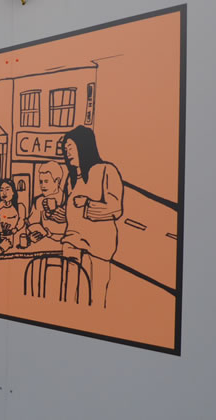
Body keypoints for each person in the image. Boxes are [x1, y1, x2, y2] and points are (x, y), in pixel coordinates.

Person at [60, 126, 123, 307]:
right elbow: (70, 213)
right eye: (66, 149)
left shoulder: (106, 171)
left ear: (84, 146)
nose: (68, 153)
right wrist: (58, 214)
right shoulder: (71, 179)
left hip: (99, 245)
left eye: (71, 147)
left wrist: (87, 205)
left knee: (97, 291)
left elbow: (115, 208)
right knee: (70, 288)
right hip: (72, 239)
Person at [27, 161, 66, 241]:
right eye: (41, 182)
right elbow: (32, 222)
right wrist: (33, 234)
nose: (43, 186)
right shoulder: (39, 201)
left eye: (46, 181)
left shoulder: (67, 199)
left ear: (57, 181)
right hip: (44, 242)